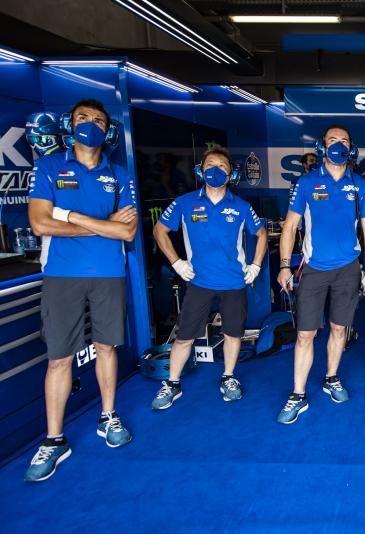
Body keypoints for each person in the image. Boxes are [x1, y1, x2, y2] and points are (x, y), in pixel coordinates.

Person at [25, 99, 138, 482]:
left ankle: (108, 416)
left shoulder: (118, 174)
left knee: (107, 348)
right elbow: (41, 224)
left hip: (109, 273)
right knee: (59, 358)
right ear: (69, 125)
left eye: (99, 121)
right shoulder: (49, 167)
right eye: (83, 118)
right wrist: (102, 224)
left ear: (109, 131)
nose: (91, 124)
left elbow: (127, 231)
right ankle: (54, 439)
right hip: (62, 274)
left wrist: (69, 216)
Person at [275, 124, 365, 424]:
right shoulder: (306, 182)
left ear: (351, 148)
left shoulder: (359, 185)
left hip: (348, 269)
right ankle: (298, 394)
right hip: (314, 270)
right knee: (305, 334)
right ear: (322, 147)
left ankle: (332, 377)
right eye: (332, 140)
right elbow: (290, 227)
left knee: (339, 329)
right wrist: (284, 265)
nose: (338, 145)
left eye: (344, 141)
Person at [150, 146, 266, 410]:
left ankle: (228, 377)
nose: (216, 170)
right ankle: (172, 383)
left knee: (233, 334)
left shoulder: (241, 207)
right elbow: (159, 231)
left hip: (233, 282)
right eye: (210, 165)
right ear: (200, 171)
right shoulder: (185, 202)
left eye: (222, 166)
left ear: (231, 173)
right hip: (199, 281)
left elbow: (260, 235)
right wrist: (177, 262)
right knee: (184, 336)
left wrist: (256, 265)